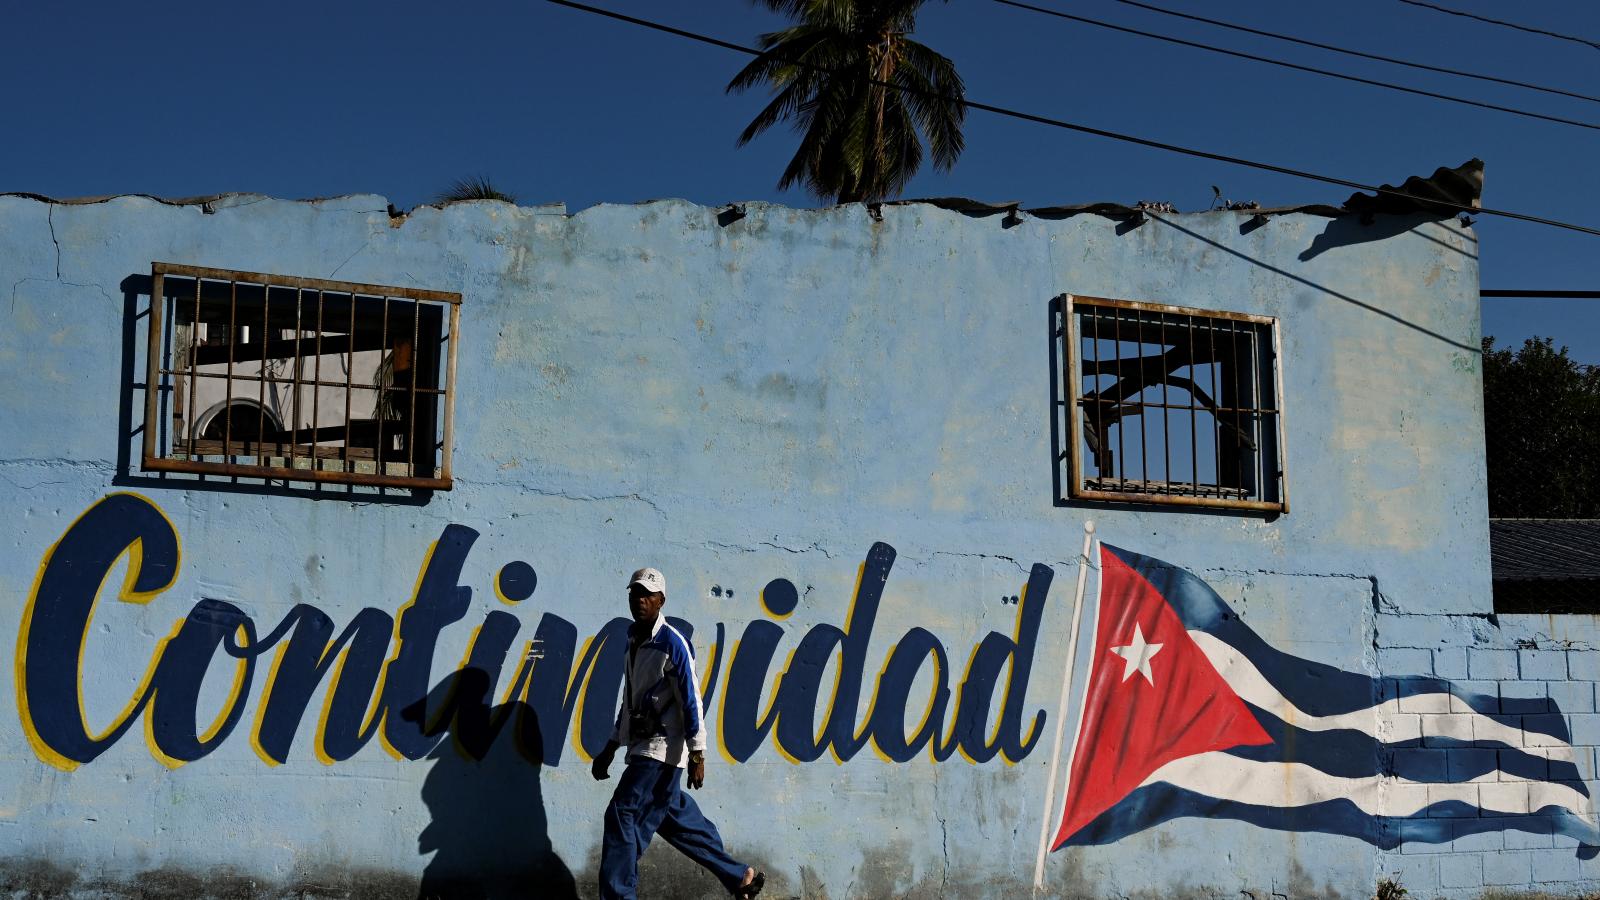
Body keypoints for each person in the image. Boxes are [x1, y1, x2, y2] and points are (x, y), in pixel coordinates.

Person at [592, 566, 765, 900]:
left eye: (648, 595)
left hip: (661, 749)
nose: (640, 600)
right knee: (674, 817)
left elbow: (691, 699)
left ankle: (618, 894)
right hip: (643, 746)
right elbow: (630, 701)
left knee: (623, 814)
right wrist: (611, 746)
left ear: (661, 600)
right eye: (635, 594)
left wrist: (698, 753)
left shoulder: (673, 643)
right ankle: (739, 876)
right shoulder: (633, 641)